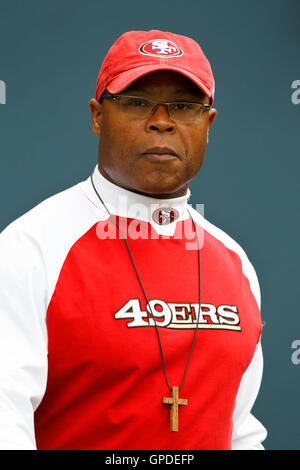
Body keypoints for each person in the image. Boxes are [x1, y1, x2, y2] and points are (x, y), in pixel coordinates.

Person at [0, 29, 267, 450]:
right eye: (137, 102)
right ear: (97, 116)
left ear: (208, 124)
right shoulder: (30, 248)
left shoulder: (234, 262)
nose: (161, 120)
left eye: (183, 106)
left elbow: (239, 430)